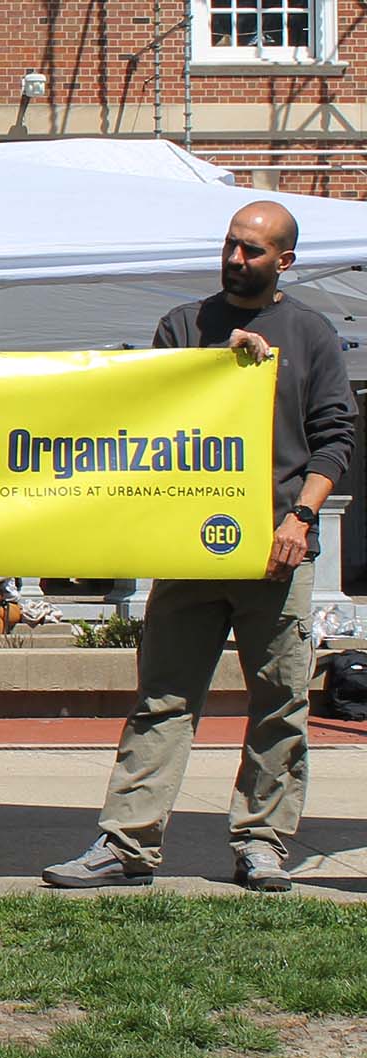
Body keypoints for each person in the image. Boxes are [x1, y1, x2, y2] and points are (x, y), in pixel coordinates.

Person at [44, 200, 358, 893]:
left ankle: (262, 843)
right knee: (163, 698)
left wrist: (299, 519)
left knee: (280, 702)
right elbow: (152, 410)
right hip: (190, 548)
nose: (235, 259)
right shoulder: (183, 326)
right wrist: (217, 362)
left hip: (277, 550)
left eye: (252, 250)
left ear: (285, 261)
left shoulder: (309, 333)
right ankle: (127, 845)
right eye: (230, 246)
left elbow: (334, 438)